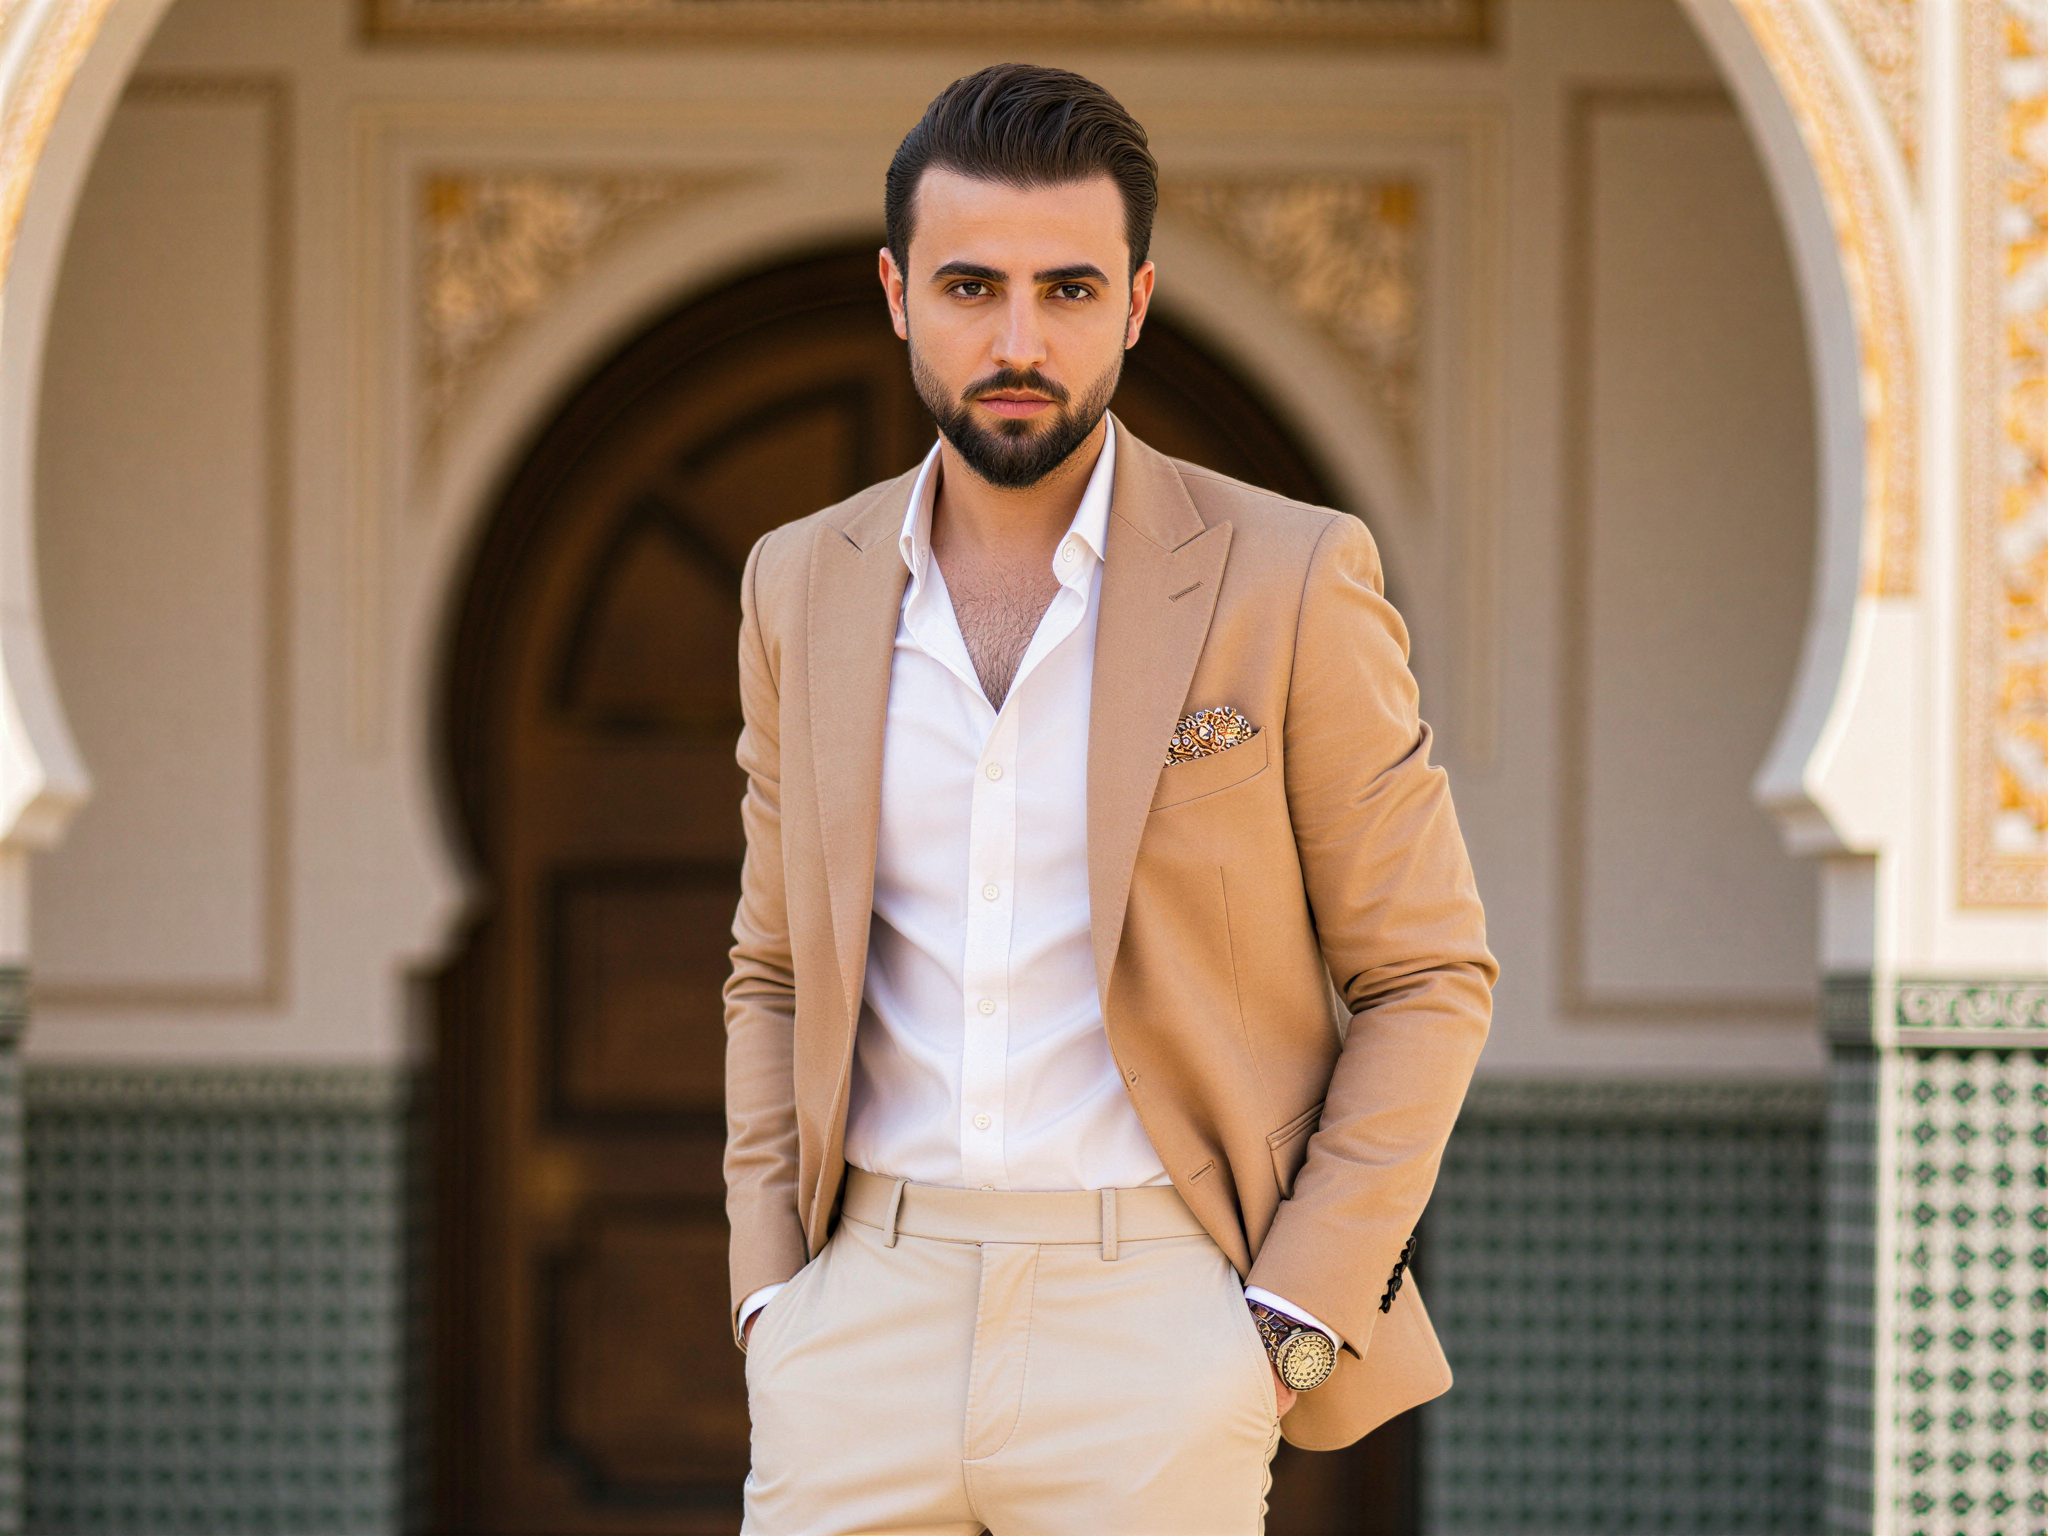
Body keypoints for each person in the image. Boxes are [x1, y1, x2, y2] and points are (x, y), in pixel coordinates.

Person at [722, 61, 1495, 1536]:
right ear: (896, 294)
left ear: (1136, 302)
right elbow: (772, 970)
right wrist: (772, 1297)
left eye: (1068, 290)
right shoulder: (797, 583)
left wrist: (1289, 1323)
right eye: (971, 288)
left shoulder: (1289, 576)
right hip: (860, 1316)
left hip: (1158, 1327)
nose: (1019, 341)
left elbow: (1428, 974)